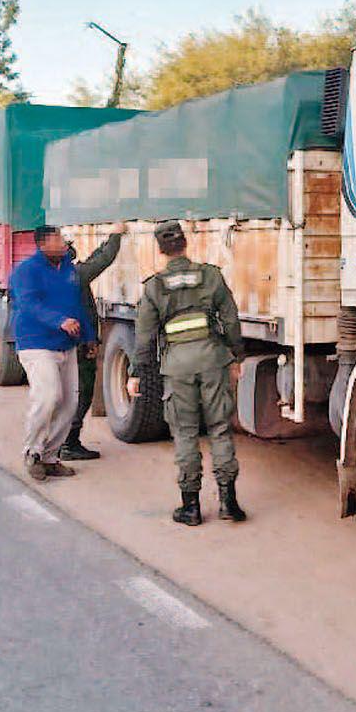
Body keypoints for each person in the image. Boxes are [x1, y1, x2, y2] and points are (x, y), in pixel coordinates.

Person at [129, 221, 246, 526]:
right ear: (185, 244)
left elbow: (144, 337)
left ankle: (190, 507)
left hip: (177, 366)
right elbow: (231, 320)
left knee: (185, 433)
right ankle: (228, 503)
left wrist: (136, 373)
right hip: (212, 359)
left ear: (160, 250)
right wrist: (236, 356)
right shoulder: (210, 275)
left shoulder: (154, 286)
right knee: (220, 428)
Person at [8, 225, 94, 482]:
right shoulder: (26, 271)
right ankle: (32, 452)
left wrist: (89, 337)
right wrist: (59, 321)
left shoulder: (68, 269)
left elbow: (77, 306)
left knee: (69, 405)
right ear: (43, 244)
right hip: (36, 344)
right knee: (48, 397)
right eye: (57, 238)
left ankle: (50, 457)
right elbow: (29, 304)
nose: (63, 241)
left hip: (65, 344)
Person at [59, 220, 128, 462]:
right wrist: (116, 236)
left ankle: (61, 441)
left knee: (66, 394)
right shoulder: (73, 276)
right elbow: (101, 260)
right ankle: (69, 443)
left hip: (64, 346)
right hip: (78, 347)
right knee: (82, 393)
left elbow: (92, 261)